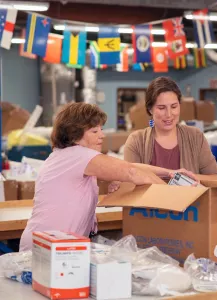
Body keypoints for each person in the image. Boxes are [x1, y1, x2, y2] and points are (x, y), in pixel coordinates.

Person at [19, 103, 165, 251]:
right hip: (46, 248)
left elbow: (129, 167)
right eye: (94, 131)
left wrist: (169, 173)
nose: (102, 135)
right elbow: (131, 172)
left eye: (101, 130)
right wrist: (173, 195)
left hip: (51, 245)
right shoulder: (78, 155)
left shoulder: (65, 156)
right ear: (74, 135)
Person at [121, 76, 217, 184]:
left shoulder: (195, 137)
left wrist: (190, 177)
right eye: (161, 108)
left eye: (174, 107)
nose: (169, 114)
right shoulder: (137, 141)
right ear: (150, 109)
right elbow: (129, 182)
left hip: (190, 201)